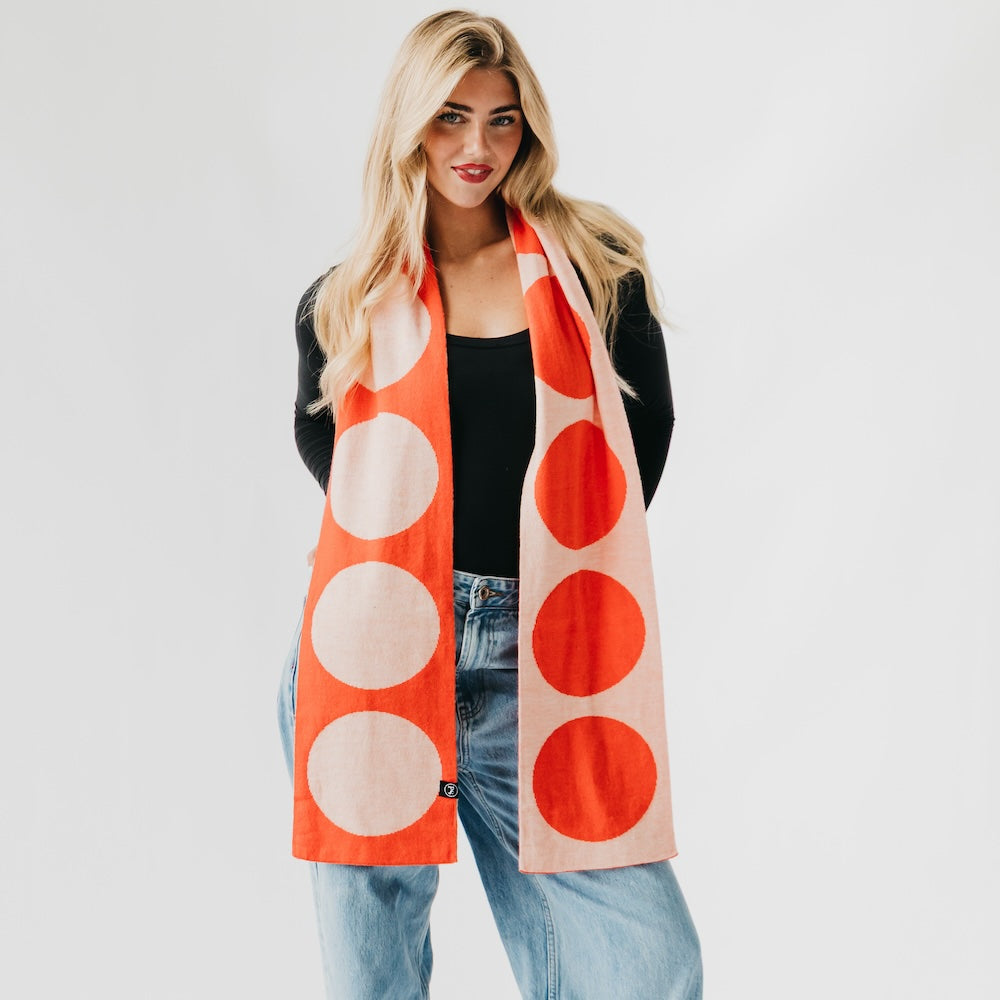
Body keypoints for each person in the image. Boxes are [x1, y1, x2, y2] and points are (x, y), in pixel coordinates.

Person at [277, 10, 703, 998]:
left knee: (645, 966)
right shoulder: (341, 300)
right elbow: (332, 462)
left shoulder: (598, 268)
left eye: (502, 120)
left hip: (547, 650)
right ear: (408, 126)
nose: (476, 148)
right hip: (370, 650)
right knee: (371, 977)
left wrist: (542, 564)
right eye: (449, 119)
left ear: (530, 127)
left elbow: (645, 441)